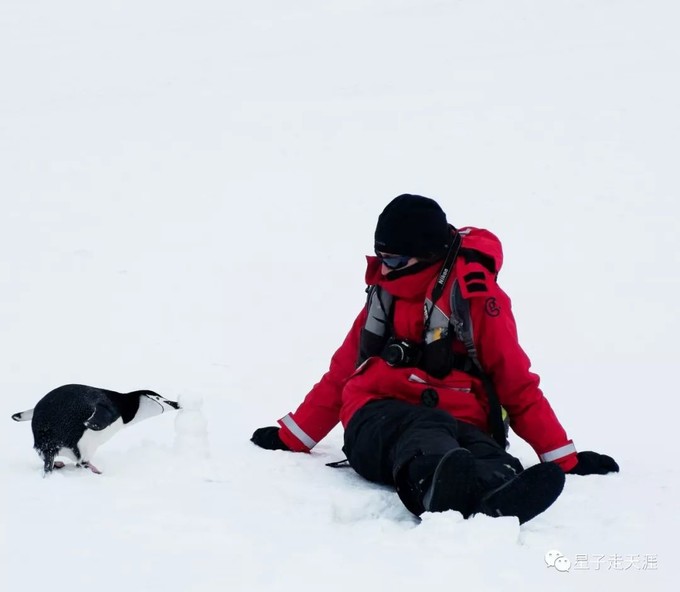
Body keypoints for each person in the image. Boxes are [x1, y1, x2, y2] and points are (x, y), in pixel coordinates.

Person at [251, 194, 619, 523]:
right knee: (424, 431)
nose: (384, 268)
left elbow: (515, 382)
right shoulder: (386, 294)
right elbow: (343, 370)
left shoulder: (475, 299)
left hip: (462, 418)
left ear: (428, 253)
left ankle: (498, 489)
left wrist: (563, 458)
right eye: (380, 257)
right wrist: (293, 437)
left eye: (393, 258)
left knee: (478, 447)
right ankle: (435, 486)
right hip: (377, 418)